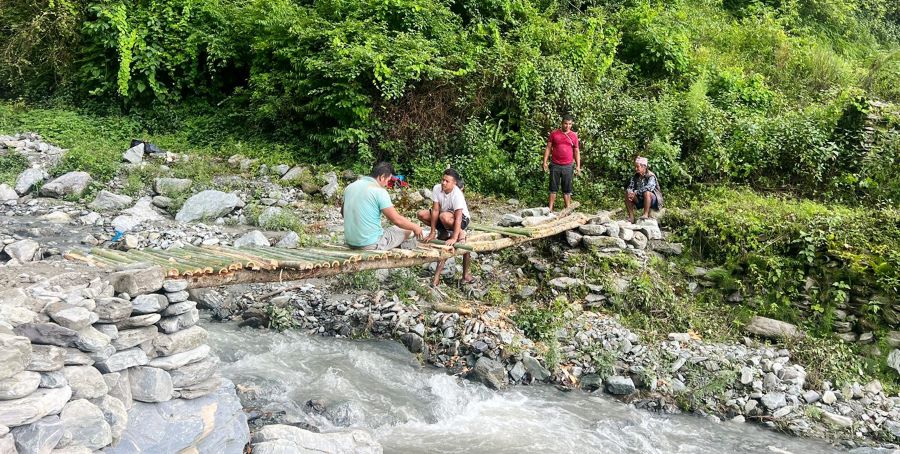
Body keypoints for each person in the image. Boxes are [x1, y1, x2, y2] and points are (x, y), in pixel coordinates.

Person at [343, 162, 425, 250]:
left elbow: (343, 212)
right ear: (382, 177)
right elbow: (396, 220)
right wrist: (415, 227)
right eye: (388, 180)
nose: (387, 184)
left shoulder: (350, 187)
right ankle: (408, 246)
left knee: (387, 229)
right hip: (370, 244)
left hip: (350, 242)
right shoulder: (378, 191)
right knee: (407, 229)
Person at [417, 169, 474, 285]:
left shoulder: (457, 194)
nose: (443, 183)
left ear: (454, 184)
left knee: (444, 217)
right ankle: (444, 231)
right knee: (421, 214)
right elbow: (435, 210)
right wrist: (432, 231)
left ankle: (460, 232)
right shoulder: (437, 188)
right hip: (444, 217)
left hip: (460, 219)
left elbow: (458, 218)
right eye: (443, 180)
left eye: (447, 181)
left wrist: (454, 237)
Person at [543, 114, 581, 212]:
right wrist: (545, 162)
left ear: (572, 125)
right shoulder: (554, 134)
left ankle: (567, 209)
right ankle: (550, 209)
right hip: (555, 164)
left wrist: (578, 166)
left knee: (567, 189)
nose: (567, 126)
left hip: (568, 165)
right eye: (565, 123)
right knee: (553, 188)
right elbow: (548, 148)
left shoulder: (574, 136)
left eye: (569, 124)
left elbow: (576, 151)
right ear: (562, 123)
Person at [625, 156, 664, 223]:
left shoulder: (651, 175)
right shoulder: (635, 176)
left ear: (644, 167)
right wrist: (630, 192)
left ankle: (645, 214)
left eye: (637, 167)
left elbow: (649, 187)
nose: (636, 169)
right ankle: (631, 217)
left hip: (652, 200)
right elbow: (630, 187)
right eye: (635, 167)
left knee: (647, 192)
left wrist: (636, 192)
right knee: (627, 193)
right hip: (640, 200)